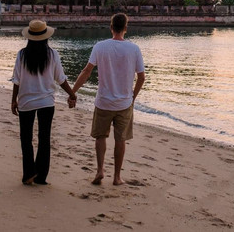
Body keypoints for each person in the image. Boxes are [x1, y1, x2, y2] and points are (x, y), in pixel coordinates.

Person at [72, 13, 145, 185]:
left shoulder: (100, 46)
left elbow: (86, 71)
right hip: (124, 103)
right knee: (120, 139)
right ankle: (117, 177)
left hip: (103, 101)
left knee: (100, 137)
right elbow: (141, 77)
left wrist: (72, 92)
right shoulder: (134, 49)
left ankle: (99, 171)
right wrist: (132, 96)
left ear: (111, 27)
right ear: (126, 28)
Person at [11, 20, 77, 185]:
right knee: (44, 138)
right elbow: (60, 79)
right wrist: (72, 94)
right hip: (47, 102)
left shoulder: (22, 55)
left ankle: (28, 174)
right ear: (46, 37)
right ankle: (41, 176)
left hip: (26, 101)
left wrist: (14, 100)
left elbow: (17, 80)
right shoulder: (52, 54)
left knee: (26, 138)